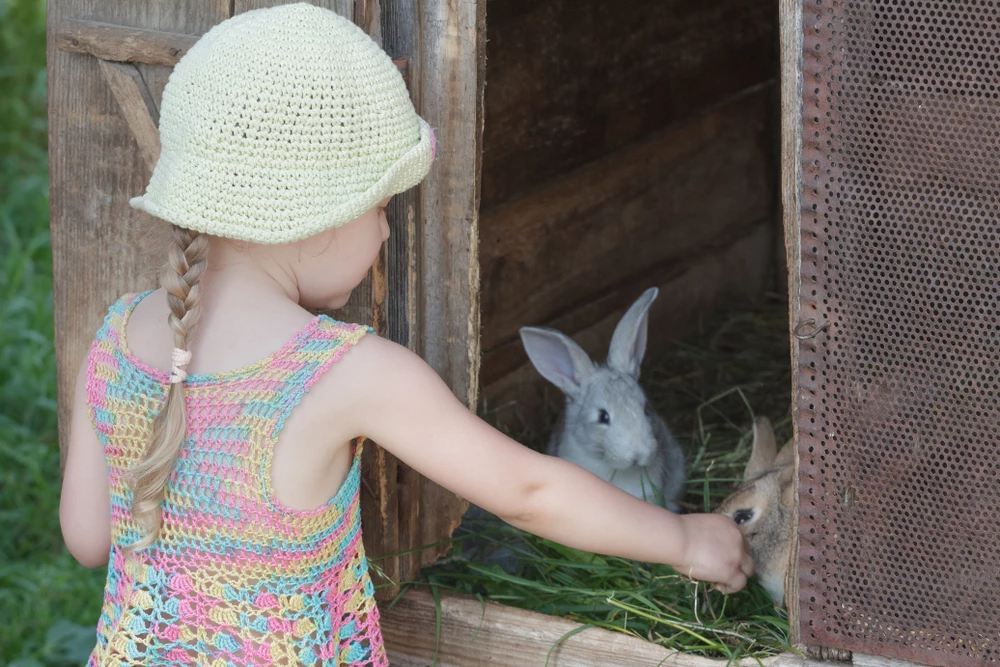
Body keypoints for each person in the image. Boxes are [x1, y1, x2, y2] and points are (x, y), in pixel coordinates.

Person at [58, 4, 752, 665]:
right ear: (326, 216)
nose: (387, 231)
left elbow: (88, 539)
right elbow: (527, 491)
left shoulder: (119, 334)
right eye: (383, 207)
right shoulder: (346, 372)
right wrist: (683, 538)